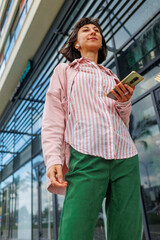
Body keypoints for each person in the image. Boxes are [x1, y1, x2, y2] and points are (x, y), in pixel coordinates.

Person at [41, 17, 143, 240]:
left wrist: (124, 102)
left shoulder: (112, 77)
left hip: (124, 157)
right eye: (85, 30)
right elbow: (52, 118)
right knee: (74, 232)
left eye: (96, 30)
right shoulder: (65, 71)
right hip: (85, 155)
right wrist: (53, 159)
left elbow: (122, 121)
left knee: (128, 232)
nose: (92, 32)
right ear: (76, 43)